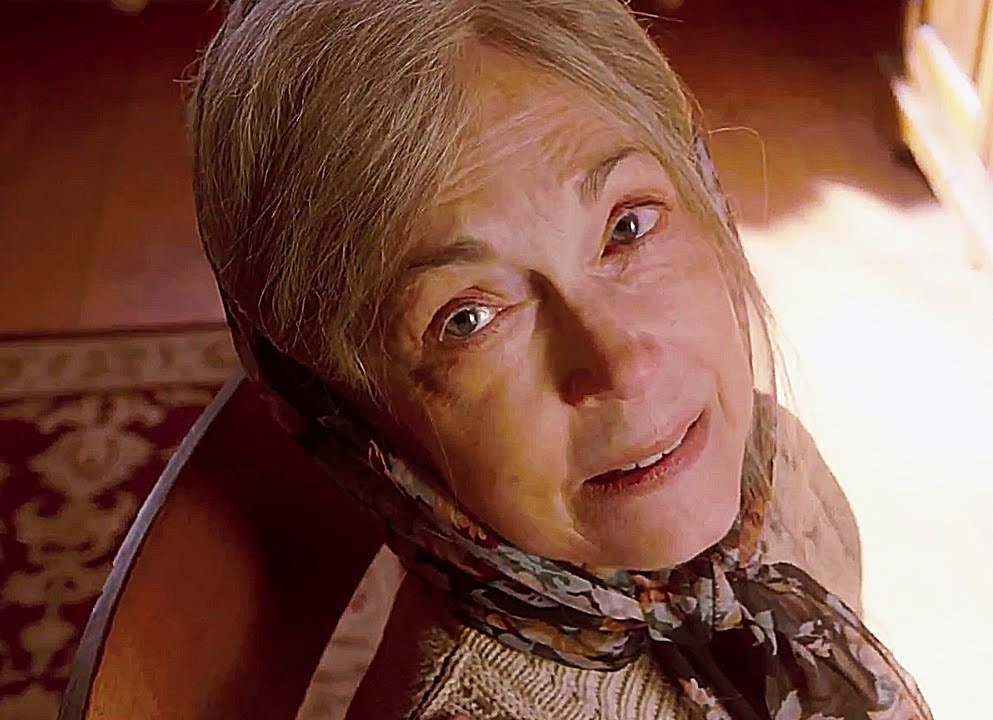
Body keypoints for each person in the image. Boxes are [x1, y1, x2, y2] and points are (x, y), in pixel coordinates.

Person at [189, 1, 932, 718]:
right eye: (468, 318)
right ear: (351, 428)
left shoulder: (775, 477)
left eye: (627, 228)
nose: (621, 366)